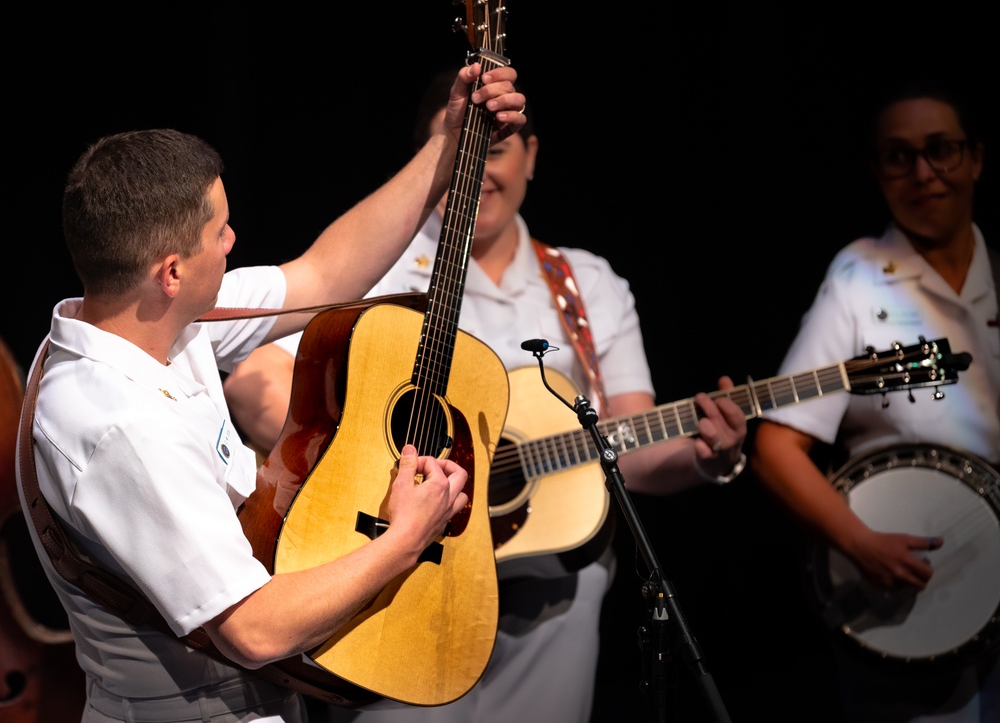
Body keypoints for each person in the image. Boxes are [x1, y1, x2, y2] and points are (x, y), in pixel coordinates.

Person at [222, 68, 750, 723]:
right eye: (462, 155)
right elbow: (253, 382)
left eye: (495, 149)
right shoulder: (379, 266)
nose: (479, 174)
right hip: (404, 583)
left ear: (532, 154)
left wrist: (705, 456)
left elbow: (625, 447)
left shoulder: (586, 285)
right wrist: (362, 470)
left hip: (551, 603)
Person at [16, 62, 528, 723]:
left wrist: (449, 143)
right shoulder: (120, 426)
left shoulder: (144, 316)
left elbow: (320, 275)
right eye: (220, 233)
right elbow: (253, 630)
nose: (233, 242)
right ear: (170, 271)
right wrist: (406, 535)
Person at [750, 78, 1000, 722]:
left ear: (975, 157)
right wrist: (860, 543)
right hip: (911, 598)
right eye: (899, 155)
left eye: (941, 149)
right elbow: (777, 445)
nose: (924, 172)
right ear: (877, 171)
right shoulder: (859, 275)